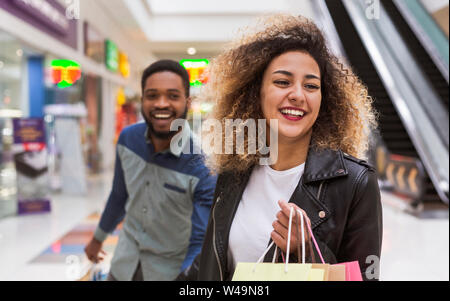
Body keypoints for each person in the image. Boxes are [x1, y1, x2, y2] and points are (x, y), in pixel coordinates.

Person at [177, 15, 382, 281]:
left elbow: (366, 277)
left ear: (324, 99)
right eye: (282, 82)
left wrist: (307, 249)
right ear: (256, 93)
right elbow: (210, 262)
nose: (297, 94)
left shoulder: (355, 183)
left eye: (311, 86)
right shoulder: (234, 171)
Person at [84, 60, 217, 281]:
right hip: (123, 265)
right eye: (152, 95)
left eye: (173, 96)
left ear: (188, 102)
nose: (161, 103)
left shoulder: (202, 166)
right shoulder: (128, 139)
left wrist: (185, 278)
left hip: (169, 272)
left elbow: (200, 239)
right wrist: (98, 238)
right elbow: (119, 195)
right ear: (143, 99)